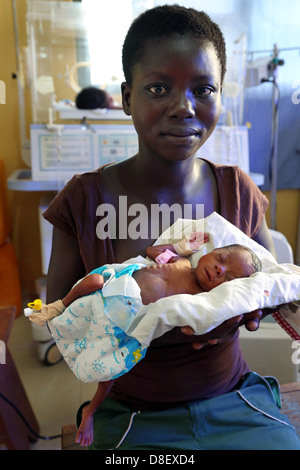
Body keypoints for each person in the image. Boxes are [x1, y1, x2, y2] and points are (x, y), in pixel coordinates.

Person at [44, 5, 300, 450]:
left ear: (221, 95)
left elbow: (271, 287)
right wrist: (116, 316)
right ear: (126, 97)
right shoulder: (84, 201)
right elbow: (58, 316)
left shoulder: (236, 191)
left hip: (233, 399)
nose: (184, 107)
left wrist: (243, 311)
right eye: (159, 87)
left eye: (204, 89)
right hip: (132, 409)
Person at [30, 235, 261, 446]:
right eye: (221, 258)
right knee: (94, 281)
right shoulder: (179, 261)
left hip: (124, 326)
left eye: (229, 278)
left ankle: (90, 411)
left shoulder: (202, 301)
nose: (220, 269)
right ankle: (59, 307)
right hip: (111, 292)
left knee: (110, 374)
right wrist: (181, 246)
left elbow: (205, 321)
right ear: (210, 251)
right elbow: (152, 250)